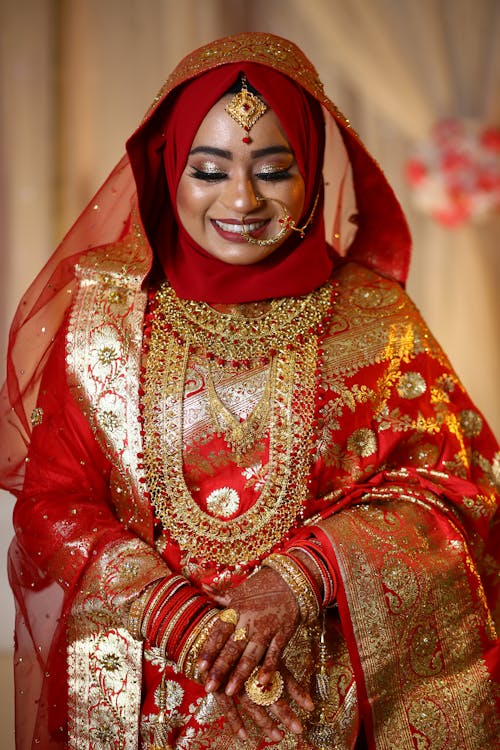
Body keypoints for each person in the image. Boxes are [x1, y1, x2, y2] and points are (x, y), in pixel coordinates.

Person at [0, 31, 498, 750]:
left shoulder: (376, 321)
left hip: (322, 701)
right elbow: (52, 503)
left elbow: (459, 485)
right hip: (149, 692)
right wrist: (183, 621)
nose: (242, 199)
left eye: (272, 169)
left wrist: (306, 574)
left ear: (312, 173)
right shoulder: (106, 314)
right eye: (209, 169)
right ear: (169, 169)